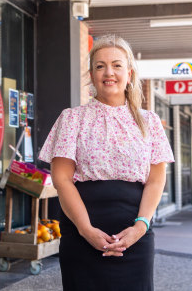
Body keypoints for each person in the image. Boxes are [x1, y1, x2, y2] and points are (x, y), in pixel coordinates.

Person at [39, 35, 175, 291]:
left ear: (129, 72)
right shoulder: (71, 118)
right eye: (100, 66)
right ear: (91, 73)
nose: (108, 72)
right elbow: (62, 179)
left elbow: (156, 180)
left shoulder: (150, 122)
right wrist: (86, 229)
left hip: (136, 232)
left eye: (116, 65)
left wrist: (140, 227)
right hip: (81, 231)